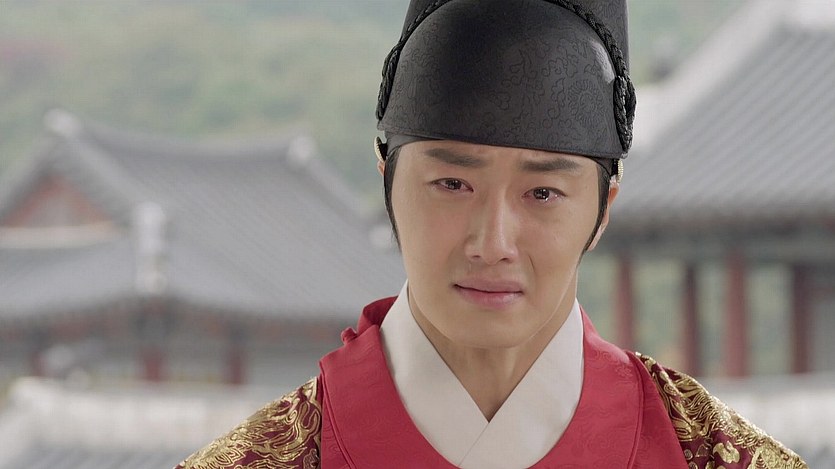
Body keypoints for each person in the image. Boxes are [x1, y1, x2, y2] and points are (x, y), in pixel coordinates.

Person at [176, 0, 806, 467]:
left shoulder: (713, 457)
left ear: (603, 208)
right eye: (452, 183)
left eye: (543, 193)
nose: (492, 243)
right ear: (387, 179)